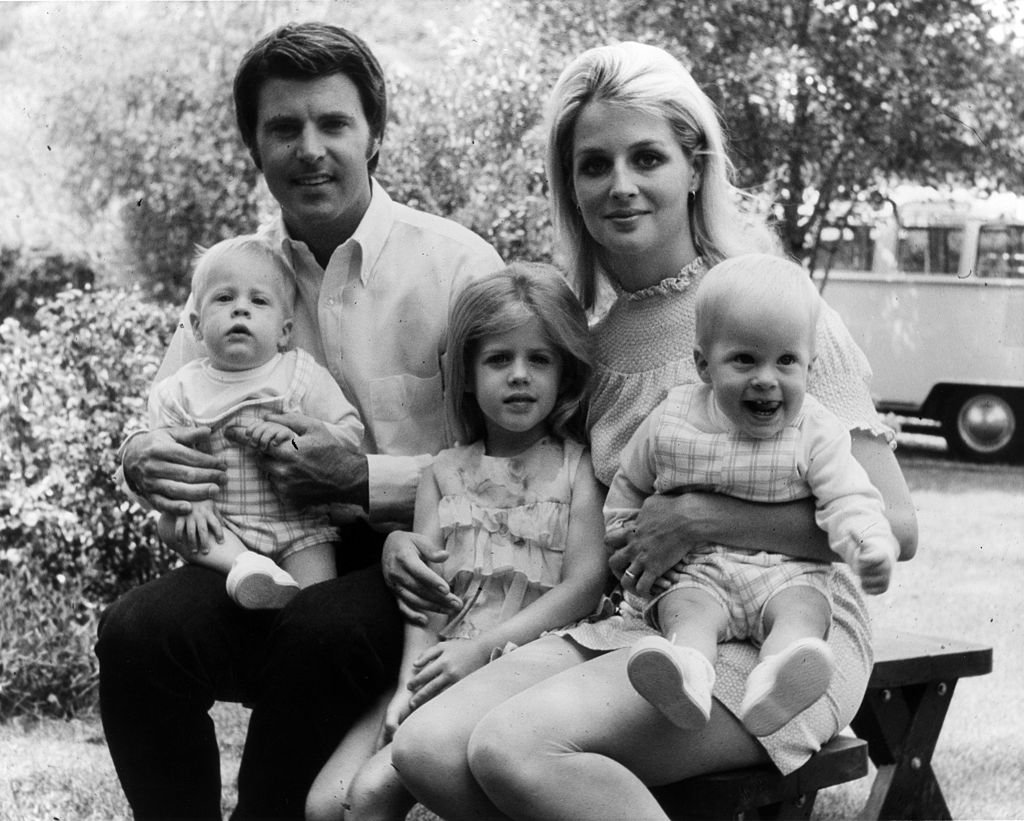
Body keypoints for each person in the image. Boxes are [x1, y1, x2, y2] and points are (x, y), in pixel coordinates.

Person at [382, 41, 918, 820]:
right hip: (647, 626)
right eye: (594, 165)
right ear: (570, 184)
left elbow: (895, 526)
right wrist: (404, 526)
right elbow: (518, 479)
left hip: (787, 636)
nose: (620, 185)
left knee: (513, 747)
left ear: (694, 166)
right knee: (426, 748)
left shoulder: (767, 315)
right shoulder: (589, 346)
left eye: (647, 157)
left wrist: (704, 517)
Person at [94, 22, 502, 821]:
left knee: (325, 632)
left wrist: (361, 477)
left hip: (415, 556)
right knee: (136, 633)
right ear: (255, 145)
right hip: (265, 546)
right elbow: (165, 413)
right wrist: (143, 455)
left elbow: (508, 466)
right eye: (283, 127)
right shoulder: (240, 274)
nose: (309, 148)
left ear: (374, 135)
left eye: (333, 123)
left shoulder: (457, 266)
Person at [306, 263, 607, 820]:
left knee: (371, 794)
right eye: (499, 359)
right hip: (442, 662)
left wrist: (479, 654)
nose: (519, 375)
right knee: (325, 805)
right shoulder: (442, 475)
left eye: (539, 359)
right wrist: (405, 686)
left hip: (527, 668)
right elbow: (426, 600)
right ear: (467, 375)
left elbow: (584, 584)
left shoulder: (576, 470)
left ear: (564, 375)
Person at [607, 253, 899, 738]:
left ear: (811, 366)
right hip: (696, 572)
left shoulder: (816, 430)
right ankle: (687, 676)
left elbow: (849, 498)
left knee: (803, 611)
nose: (766, 378)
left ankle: (777, 682)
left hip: (786, 574)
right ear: (704, 364)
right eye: (744, 359)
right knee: (687, 612)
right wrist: (622, 539)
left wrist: (870, 544)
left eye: (786, 360)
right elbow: (630, 484)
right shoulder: (668, 420)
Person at [151, 234, 364, 609]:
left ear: (284, 331)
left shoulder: (300, 374)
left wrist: (294, 431)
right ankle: (244, 566)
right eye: (224, 298)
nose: (240, 310)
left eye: (258, 301)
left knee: (313, 609)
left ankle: (286, 604)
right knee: (170, 523)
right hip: (221, 526)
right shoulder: (180, 390)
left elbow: (348, 435)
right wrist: (190, 501)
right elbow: (166, 459)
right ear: (197, 327)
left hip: (298, 527)